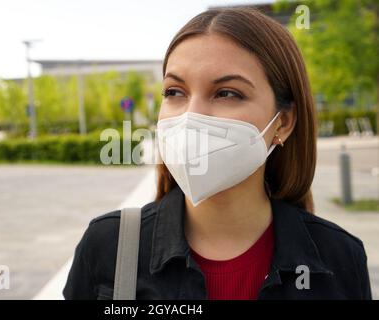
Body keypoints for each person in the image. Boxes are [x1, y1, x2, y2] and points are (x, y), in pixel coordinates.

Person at [63, 7, 372, 300]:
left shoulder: (339, 257)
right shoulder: (109, 247)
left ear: (284, 122)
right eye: (174, 92)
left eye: (227, 93)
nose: (191, 115)